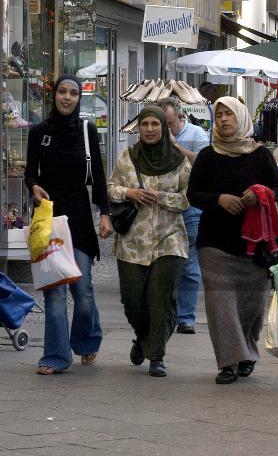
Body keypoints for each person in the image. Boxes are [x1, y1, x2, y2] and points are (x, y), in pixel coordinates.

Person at [187, 96, 278, 384]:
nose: (224, 119)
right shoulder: (207, 155)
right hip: (215, 242)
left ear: (240, 117)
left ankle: (247, 351)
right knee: (221, 304)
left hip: (254, 245)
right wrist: (219, 200)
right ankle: (228, 362)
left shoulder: (261, 155)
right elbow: (193, 194)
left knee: (251, 306)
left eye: (229, 114)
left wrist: (259, 194)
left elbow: (277, 189)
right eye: (220, 115)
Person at [25, 74, 112, 375]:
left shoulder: (87, 130)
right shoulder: (39, 132)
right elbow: (29, 174)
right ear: (54, 96)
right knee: (55, 290)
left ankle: (87, 340)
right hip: (49, 218)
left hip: (79, 218)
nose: (66, 98)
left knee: (83, 289)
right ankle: (55, 356)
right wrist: (32, 187)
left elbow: (98, 176)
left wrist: (105, 212)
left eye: (73, 93)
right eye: (62, 92)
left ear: (79, 98)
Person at [107, 106, 191, 377]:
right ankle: (143, 340)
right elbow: (110, 189)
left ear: (165, 128)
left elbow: (189, 198)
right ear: (139, 127)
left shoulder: (179, 160)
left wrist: (160, 197)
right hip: (132, 241)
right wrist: (129, 191)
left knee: (161, 299)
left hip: (170, 240)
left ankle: (157, 355)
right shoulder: (127, 157)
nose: (150, 129)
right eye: (145, 124)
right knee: (132, 301)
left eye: (156, 123)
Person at [155, 97, 210, 335]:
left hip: (190, 206)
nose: (165, 129)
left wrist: (177, 147)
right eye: (161, 124)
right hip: (161, 206)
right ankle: (164, 312)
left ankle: (186, 317)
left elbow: (203, 163)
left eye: (169, 124)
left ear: (180, 117)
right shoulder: (152, 133)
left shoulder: (197, 134)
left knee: (188, 263)